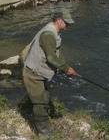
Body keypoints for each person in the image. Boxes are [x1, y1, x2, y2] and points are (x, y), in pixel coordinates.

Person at [22, 9, 77, 137]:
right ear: (59, 20)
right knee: (40, 103)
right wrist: (65, 68)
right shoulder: (48, 34)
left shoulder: (54, 32)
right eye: (66, 23)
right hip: (33, 72)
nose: (68, 26)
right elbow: (51, 58)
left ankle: (45, 125)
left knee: (44, 99)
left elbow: (57, 53)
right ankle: (43, 133)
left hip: (39, 71)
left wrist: (66, 67)